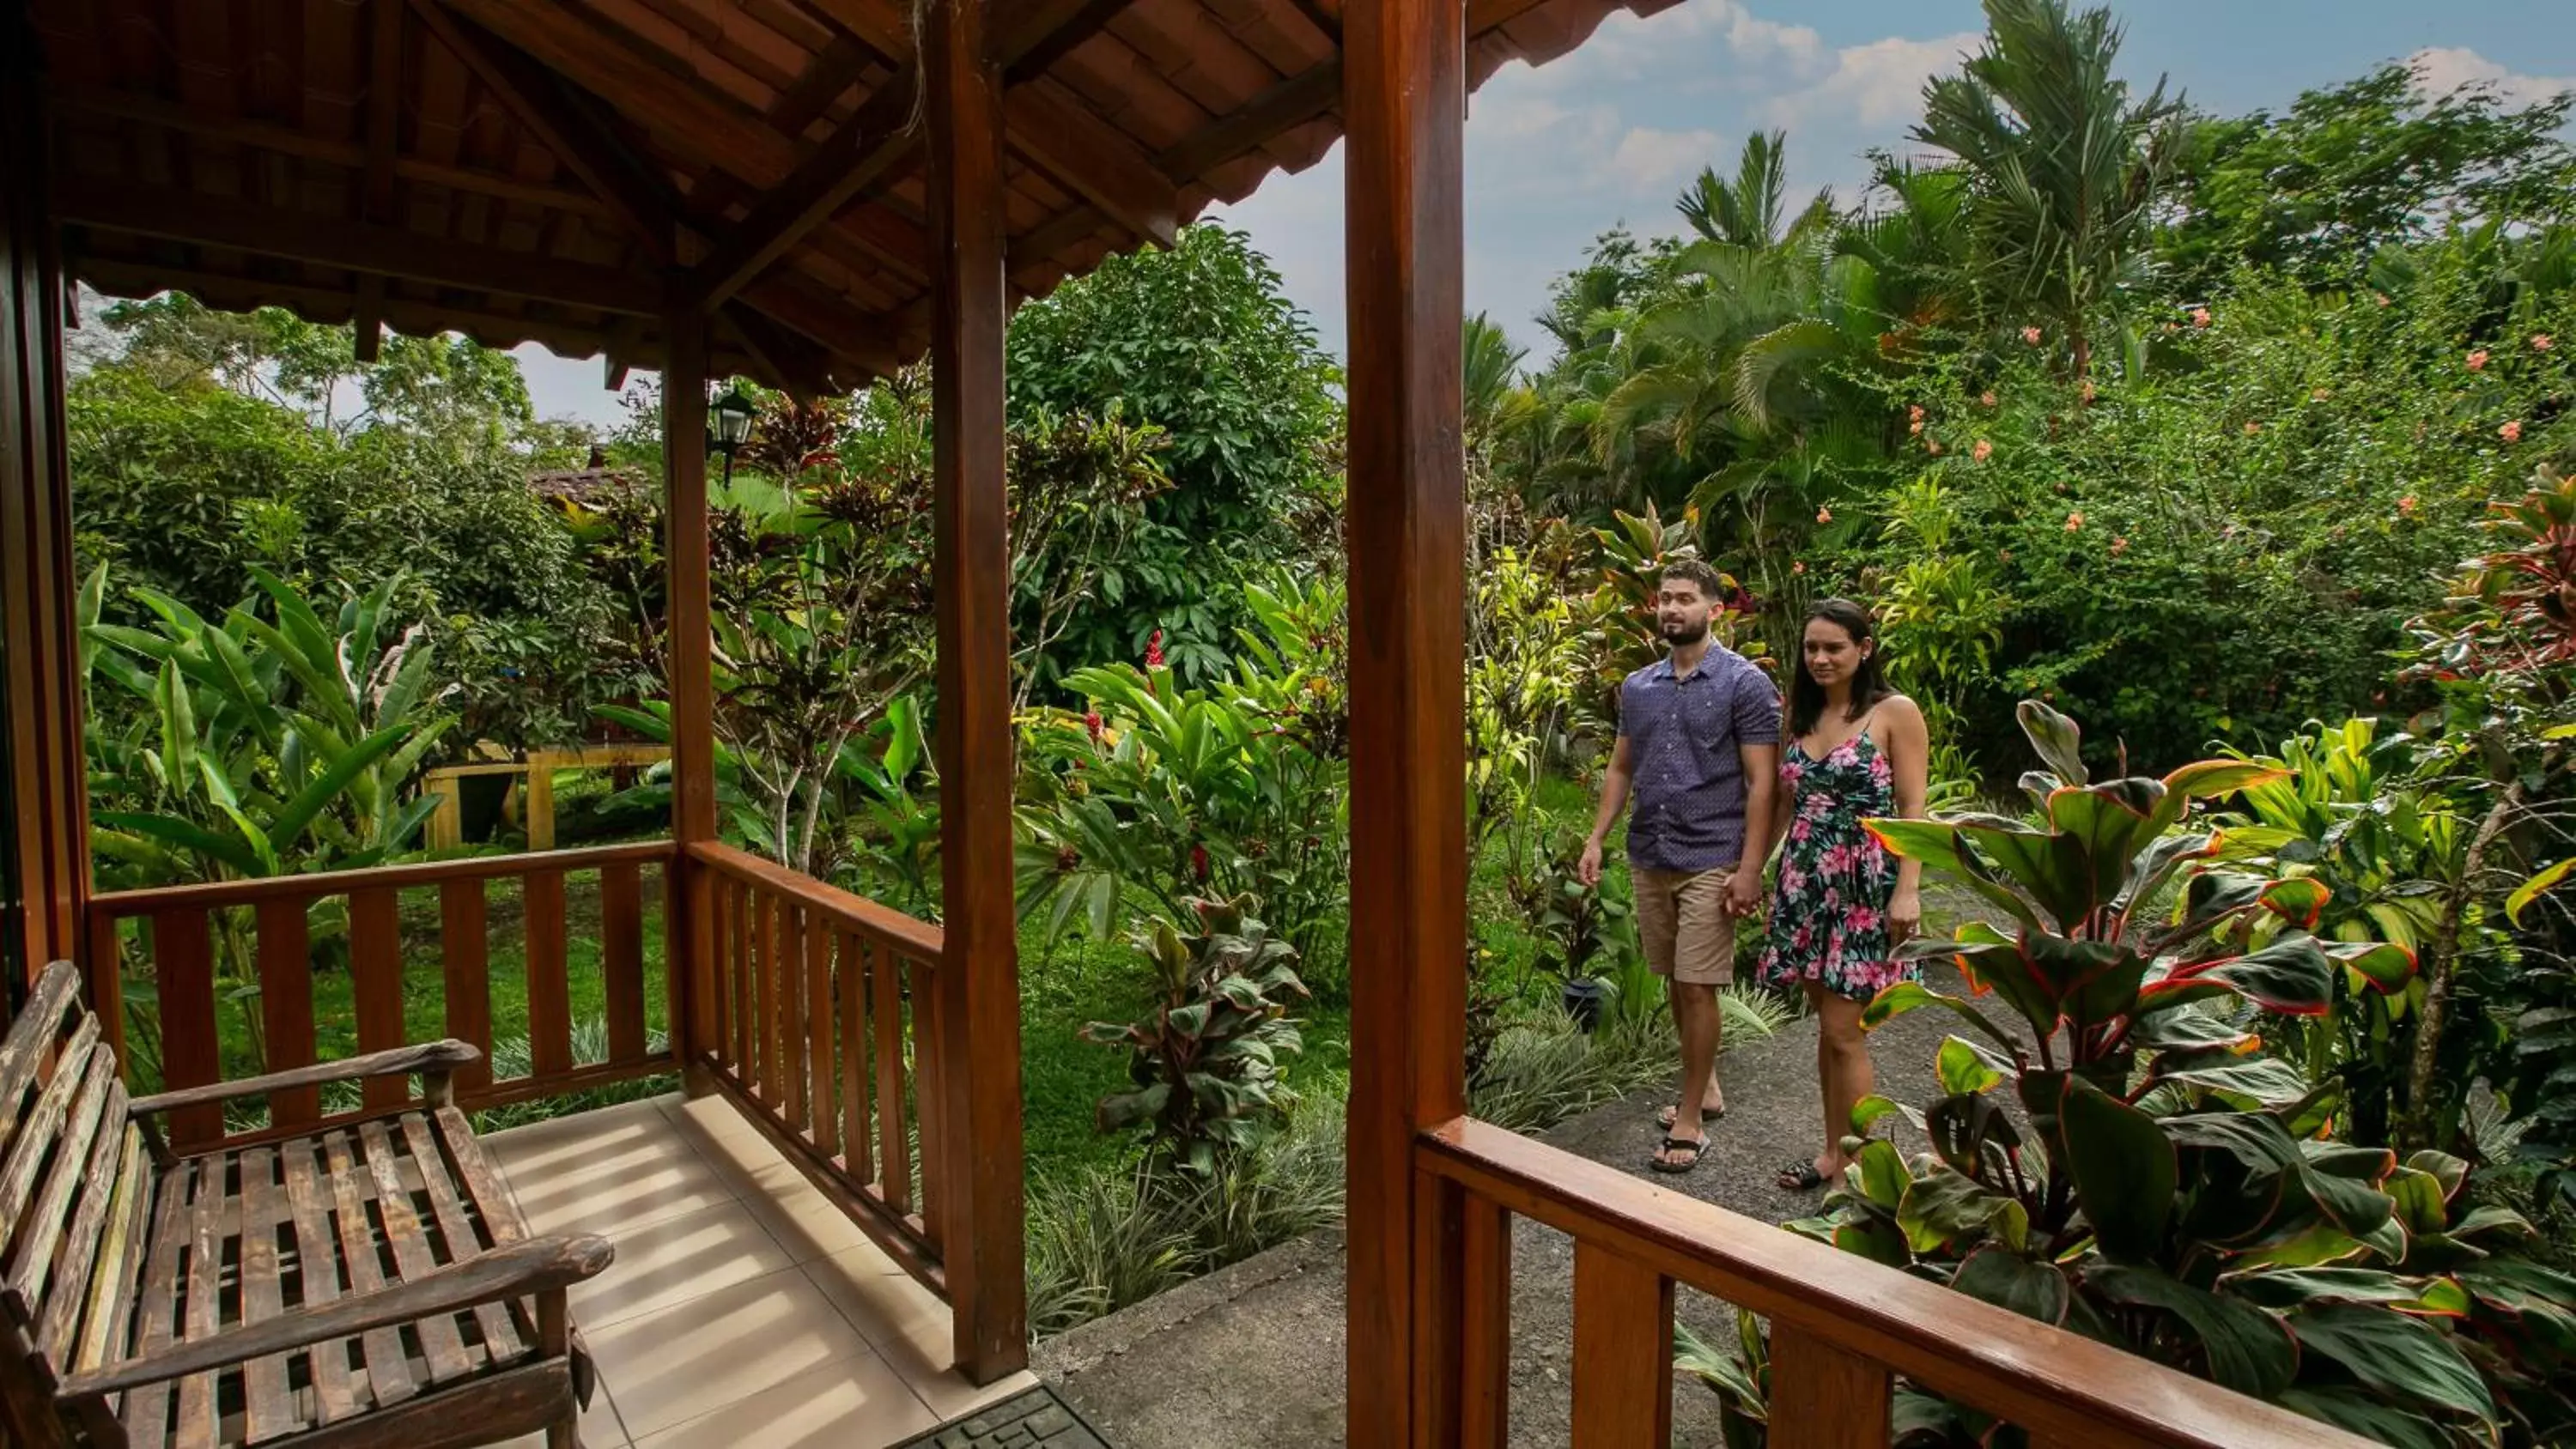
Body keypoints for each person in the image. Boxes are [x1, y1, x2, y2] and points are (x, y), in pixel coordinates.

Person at [1579, 560, 1780, 1175]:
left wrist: (1750, 870)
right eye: (1665, 599)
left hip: (1713, 855)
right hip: (1652, 851)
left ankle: (1690, 1116)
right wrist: (1596, 838)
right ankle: (1708, 1085)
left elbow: (1762, 782)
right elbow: (1620, 767)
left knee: (1698, 984)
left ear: (1715, 610)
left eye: (1685, 600)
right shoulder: (1639, 686)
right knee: (1674, 978)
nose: (1672, 609)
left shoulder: (1745, 685)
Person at [1758, 598, 1928, 1191]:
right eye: (1812, 649)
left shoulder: (1893, 713)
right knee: (1826, 1032)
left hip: (1865, 885)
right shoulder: (1799, 717)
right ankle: (1833, 1154)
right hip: (1805, 885)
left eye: (1834, 647)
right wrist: (1753, 871)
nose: (1822, 658)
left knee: (1844, 1032)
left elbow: (1913, 808)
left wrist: (1908, 889)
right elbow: (1784, 805)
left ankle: (1858, 1176)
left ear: (1864, 649)